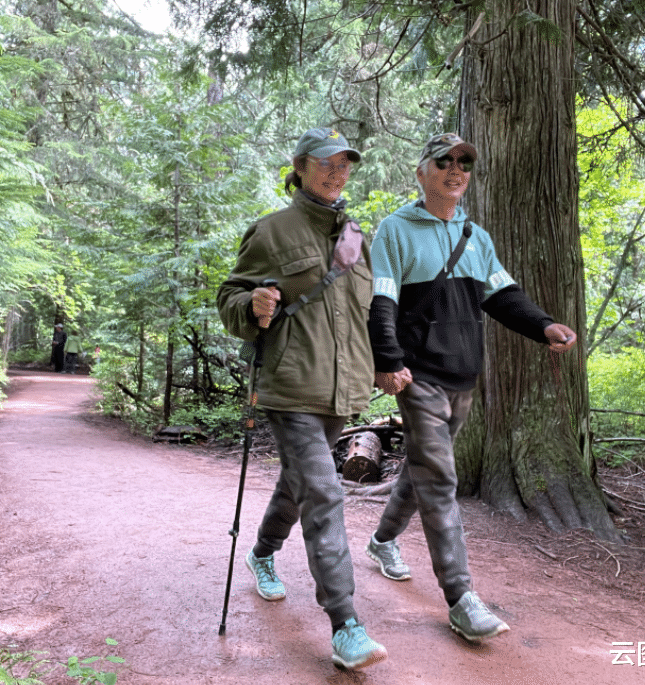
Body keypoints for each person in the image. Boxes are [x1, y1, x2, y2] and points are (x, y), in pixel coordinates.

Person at [364, 132, 578, 643]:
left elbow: (503, 294)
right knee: (440, 479)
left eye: (464, 163)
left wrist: (543, 325)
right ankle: (461, 598)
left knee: (423, 471)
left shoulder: (476, 237)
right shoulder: (394, 231)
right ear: (422, 172)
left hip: (465, 375)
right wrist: (388, 360)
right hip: (417, 376)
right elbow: (382, 302)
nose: (456, 169)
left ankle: (381, 540)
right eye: (445, 161)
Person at [217, 127, 387, 670]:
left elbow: (372, 313)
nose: (336, 174)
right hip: (289, 387)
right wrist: (254, 305)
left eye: (344, 166)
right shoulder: (272, 230)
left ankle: (263, 552)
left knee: (299, 483)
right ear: (300, 167)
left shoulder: (360, 238)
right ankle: (346, 626)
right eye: (325, 164)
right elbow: (230, 296)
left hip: (341, 389)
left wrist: (388, 364)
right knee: (323, 491)